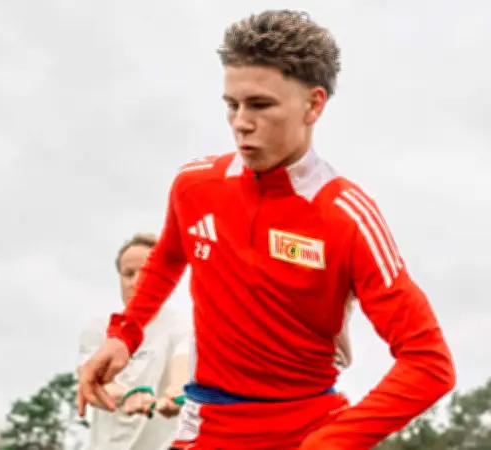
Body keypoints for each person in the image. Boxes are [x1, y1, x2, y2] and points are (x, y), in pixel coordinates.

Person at [77, 9, 456, 449]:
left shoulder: (347, 217)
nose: (241, 121)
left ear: (314, 104)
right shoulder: (194, 186)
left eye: (260, 105)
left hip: (307, 430)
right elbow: (168, 259)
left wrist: (329, 443)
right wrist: (125, 334)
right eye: (232, 105)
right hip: (206, 427)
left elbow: (429, 364)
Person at [77, 232, 192, 450]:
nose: (136, 281)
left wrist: (175, 394)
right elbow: (91, 382)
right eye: (128, 274)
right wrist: (129, 395)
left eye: (146, 272)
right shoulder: (98, 329)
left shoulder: (180, 326)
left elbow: (182, 370)